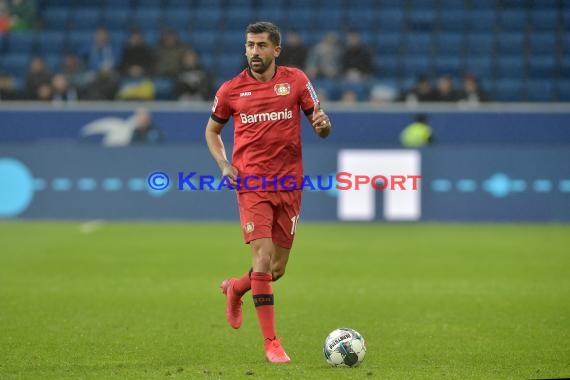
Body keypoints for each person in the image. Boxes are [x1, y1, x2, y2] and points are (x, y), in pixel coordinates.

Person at [204, 21, 331, 363]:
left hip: (289, 184)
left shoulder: (297, 81)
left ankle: (235, 287)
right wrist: (224, 164)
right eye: (249, 45)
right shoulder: (231, 90)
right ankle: (272, 343)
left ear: (276, 50)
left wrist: (323, 125)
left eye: (261, 46)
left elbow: (320, 125)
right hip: (251, 185)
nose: (254, 52)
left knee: (274, 270)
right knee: (260, 259)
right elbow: (212, 131)